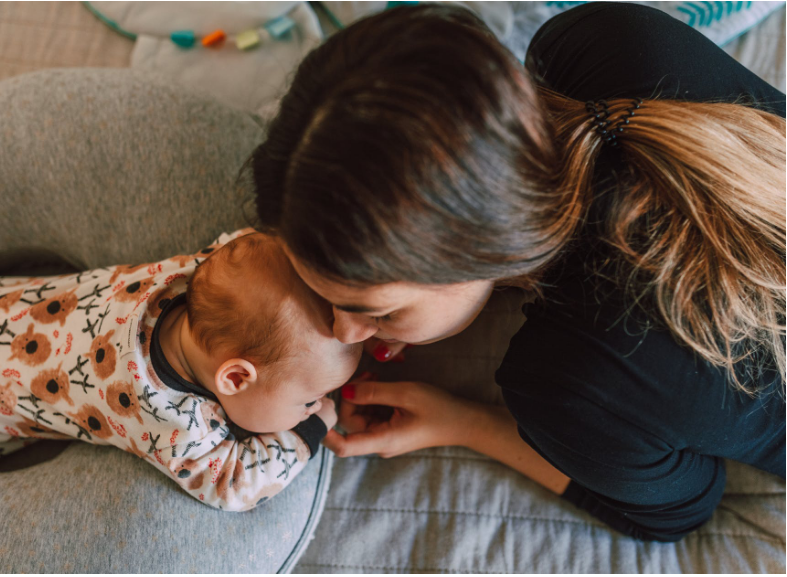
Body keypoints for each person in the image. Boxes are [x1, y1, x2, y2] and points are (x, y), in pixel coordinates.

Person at [249, 2, 786, 541]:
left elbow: (680, 511)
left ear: (483, 252)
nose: (342, 331)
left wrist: (467, 423)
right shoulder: (606, 41)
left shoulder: (564, 384)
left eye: (377, 310)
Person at [0, 231, 358, 511]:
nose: (314, 404)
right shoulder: (175, 422)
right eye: (306, 399)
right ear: (236, 378)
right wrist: (311, 430)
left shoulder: (187, 275)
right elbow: (230, 484)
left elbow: (248, 246)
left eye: (313, 403)